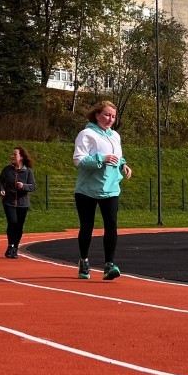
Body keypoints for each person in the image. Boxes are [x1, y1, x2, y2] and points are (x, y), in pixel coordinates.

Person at [72, 100, 132, 280]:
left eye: (113, 116)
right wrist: (101, 158)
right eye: (106, 115)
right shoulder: (86, 134)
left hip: (111, 189)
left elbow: (117, 157)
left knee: (111, 225)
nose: (110, 119)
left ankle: (109, 265)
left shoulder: (115, 136)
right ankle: (84, 261)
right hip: (87, 190)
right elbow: (79, 160)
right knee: (87, 227)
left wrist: (123, 165)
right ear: (97, 115)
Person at [0, 146, 36, 259]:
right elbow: (1, 183)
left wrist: (23, 186)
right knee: (12, 222)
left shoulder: (28, 171)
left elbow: (33, 186)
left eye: (15, 154)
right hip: (9, 201)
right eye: (12, 154)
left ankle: (15, 248)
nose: (12, 156)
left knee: (19, 226)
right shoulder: (7, 169)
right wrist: (2, 190)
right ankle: (10, 245)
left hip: (23, 203)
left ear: (21, 157)